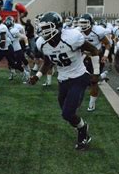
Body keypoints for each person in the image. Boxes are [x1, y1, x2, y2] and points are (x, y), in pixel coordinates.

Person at [29, 12, 101, 150]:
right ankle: (83, 127)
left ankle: (83, 134)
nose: (43, 32)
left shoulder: (72, 37)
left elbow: (93, 50)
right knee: (67, 115)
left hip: (79, 77)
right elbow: (48, 61)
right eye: (42, 28)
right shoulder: (42, 43)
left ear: (57, 27)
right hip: (63, 79)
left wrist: (96, 73)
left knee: (67, 113)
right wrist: (37, 76)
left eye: (47, 28)